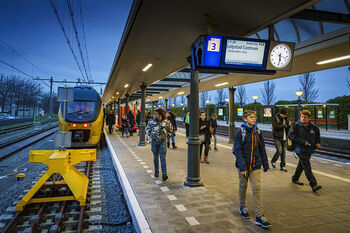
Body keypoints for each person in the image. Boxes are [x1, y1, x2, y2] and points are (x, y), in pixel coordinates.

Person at [232, 110, 271, 229]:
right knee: (243, 186)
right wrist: (243, 167)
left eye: (255, 117)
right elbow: (236, 150)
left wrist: (265, 164)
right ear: (245, 119)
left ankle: (259, 216)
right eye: (251, 117)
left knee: (257, 188)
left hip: (256, 165)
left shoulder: (257, 132)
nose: (254, 119)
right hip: (243, 166)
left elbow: (262, 148)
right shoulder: (240, 133)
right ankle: (243, 207)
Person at [290, 110, 322, 193]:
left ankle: (295, 178)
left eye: (305, 117)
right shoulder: (296, 125)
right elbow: (291, 135)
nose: (303, 118)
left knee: (302, 165)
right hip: (299, 148)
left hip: (309, 149)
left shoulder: (314, 127)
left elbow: (317, 137)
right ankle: (313, 184)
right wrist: (302, 141)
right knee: (306, 166)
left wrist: (318, 143)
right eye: (302, 117)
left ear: (309, 118)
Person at [145, 109, 173, 181]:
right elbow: (147, 129)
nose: (154, 115)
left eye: (156, 114)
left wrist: (166, 136)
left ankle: (164, 174)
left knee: (162, 157)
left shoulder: (167, 122)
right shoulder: (151, 122)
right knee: (155, 157)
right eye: (154, 114)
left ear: (160, 115)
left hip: (162, 142)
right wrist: (152, 135)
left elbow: (170, 130)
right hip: (154, 142)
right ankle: (156, 172)